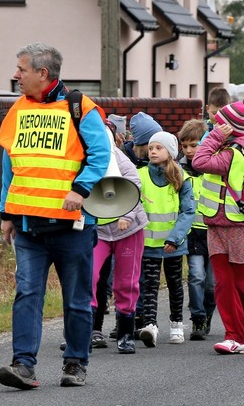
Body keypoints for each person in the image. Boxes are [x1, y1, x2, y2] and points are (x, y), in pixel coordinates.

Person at [0, 43, 111, 390]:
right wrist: (6, 212)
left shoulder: (80, 108)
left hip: (71, 228)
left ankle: (75, 363)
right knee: (27, 294)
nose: (16, 75)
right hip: (28, 226)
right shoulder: (18, 109)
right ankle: (23, 366)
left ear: (42, 73)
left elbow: (100, 153)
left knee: (76, 301)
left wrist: (81, 189)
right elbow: (11, 164)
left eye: (22, 69)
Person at [192, 102, 244, 354]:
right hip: (218, 223)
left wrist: (214, 136)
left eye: (217, 123)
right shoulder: (233, 148)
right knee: (227, 282)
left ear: (228, 127)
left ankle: (241, 335)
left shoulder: (233, 153)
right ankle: (242, 332)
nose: (212, 126)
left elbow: (199, 161)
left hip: (235, 225)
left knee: (237, 281)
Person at [136, 131, 195, 348]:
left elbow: (188, 211)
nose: (153, 151)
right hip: (148, 243)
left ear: (170, 152)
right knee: (149, 285)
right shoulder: (140, 175)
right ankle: (150, 325)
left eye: (158, 148)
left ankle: (176, 324)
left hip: (173, 244)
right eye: (151, 148)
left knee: (174, 284)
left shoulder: (181, 177)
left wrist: (175, 238)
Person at [90, 140, 146, 354]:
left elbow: (134, 184)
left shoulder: (119, 159)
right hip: (97, 229)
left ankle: (125, 334)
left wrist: (128, 214)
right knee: (88, 276)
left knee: (126, 281)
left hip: (128, 229)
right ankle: (83, 331)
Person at [178, 118, 215, 341]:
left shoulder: (214, 168)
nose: (189, 151)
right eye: (185, 146)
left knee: (212, 283)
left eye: (194, 145)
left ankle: (208, 313)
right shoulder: (179, 170)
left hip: (214, 231)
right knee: (196, 276)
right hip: (192, 232)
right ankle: (198, 318)